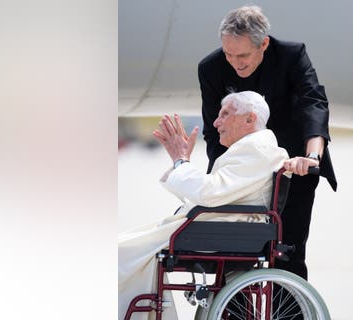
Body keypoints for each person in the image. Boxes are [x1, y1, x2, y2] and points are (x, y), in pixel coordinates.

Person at [118, 91, 289, 320]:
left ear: (249, 119)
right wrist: (182, 163)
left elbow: (210, 193)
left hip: (216, 232)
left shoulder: (255, 150)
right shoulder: (253, 148)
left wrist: (181, 162)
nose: (216, 122)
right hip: (214, 227)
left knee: (119, 253)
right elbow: (214, 195)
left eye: (225, 114)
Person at [198, 5, 338, 280]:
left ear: (263, 43)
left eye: (243, 55)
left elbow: (314, 103)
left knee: (288, 254)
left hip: (293, 164)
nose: (235, 63)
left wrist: (312, 157)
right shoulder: (211, 68)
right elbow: (213, 131)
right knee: (232, 258)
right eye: (229, 54)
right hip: (243, 170)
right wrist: (219, 179)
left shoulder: (291, 55)